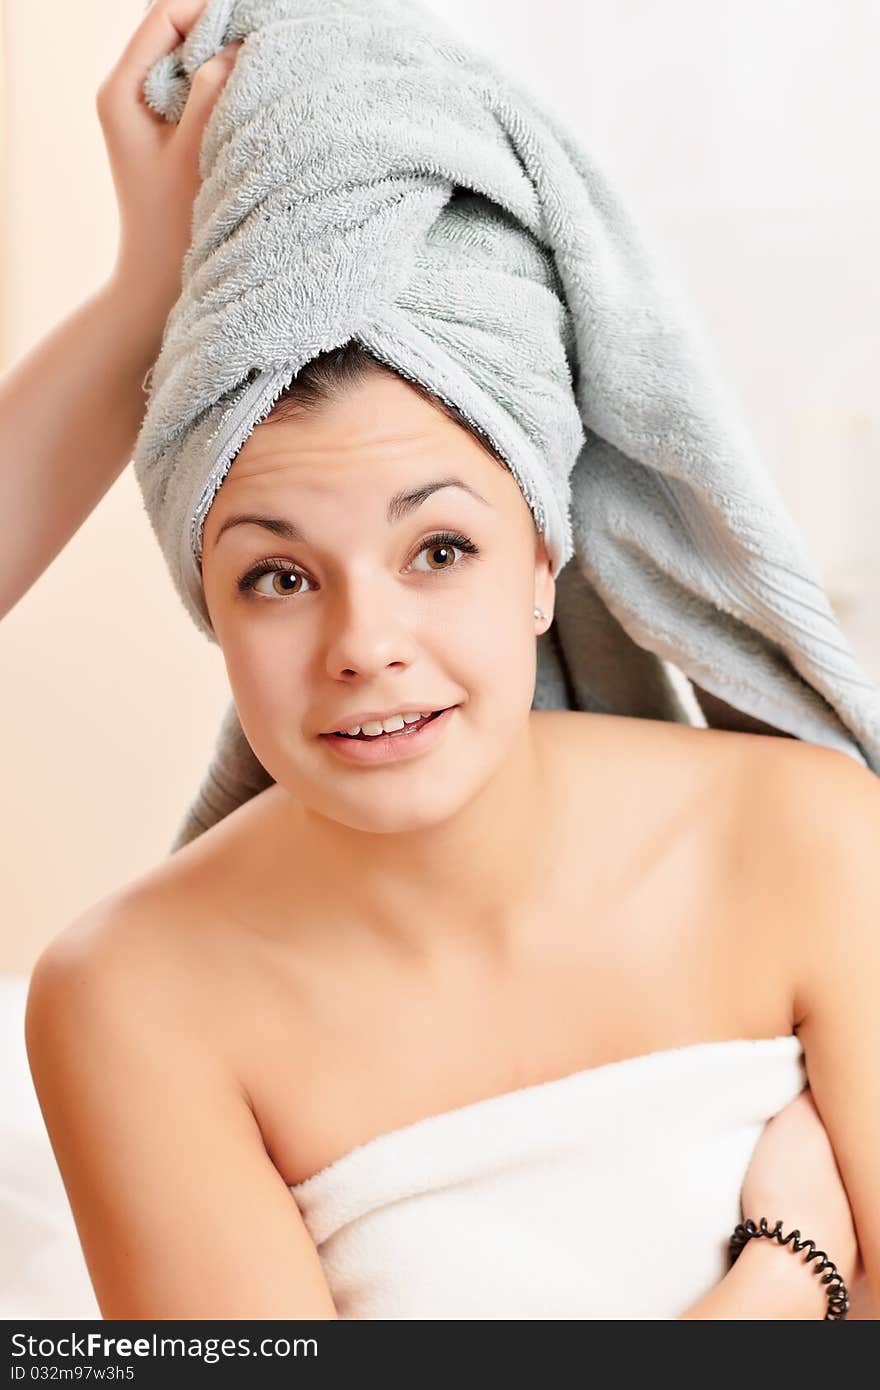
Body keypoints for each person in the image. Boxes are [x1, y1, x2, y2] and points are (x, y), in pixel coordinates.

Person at [7, 2, 877, 1320]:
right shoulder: (129, 1001)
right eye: (279, 576)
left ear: (544, 560)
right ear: (208, 602)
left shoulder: (812, 843)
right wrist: (783, 1269)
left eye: (441, 552)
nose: (366, 647)